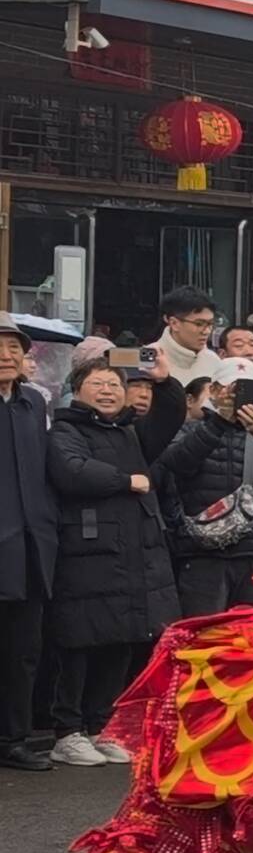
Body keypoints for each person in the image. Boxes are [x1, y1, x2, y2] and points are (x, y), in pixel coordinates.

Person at [43, 358, 181, 767]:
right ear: (77, 390)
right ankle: (67, 732)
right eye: (98, 383)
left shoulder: (131, 432)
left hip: (134, 552)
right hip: (87, 553)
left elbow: (169, 418)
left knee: (120, 640)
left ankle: (99, 726)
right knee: (80, 642)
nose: (108, 391)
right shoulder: (64, 430)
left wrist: (165, 382)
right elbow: (72, 472)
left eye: (114, 384)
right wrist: (126, 481)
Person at [156, 356, 253, 616]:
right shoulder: (191, 430)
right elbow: (178, 464)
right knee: (204, 630)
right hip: (203, 552)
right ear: (213, 391)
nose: (238, 397)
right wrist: (220, 421)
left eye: (247, 389)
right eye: (231, 389)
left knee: (251, 631)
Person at [0, 318, 60, 772]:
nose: (6, 356)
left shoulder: (34, 402)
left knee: (23, 651)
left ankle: (13, 738)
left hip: (31, 544)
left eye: (14, 348)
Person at [151, 285, 223, 388]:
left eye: (210, 324)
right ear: (174, 323)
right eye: (199, 324)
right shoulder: (150, 357)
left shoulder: (213, 360)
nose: (207, 331)